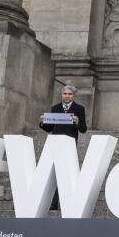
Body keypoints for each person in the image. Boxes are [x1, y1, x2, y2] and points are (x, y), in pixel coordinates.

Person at [39, 85, 88, 213]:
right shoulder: (55, 108)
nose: (67, 96)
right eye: (65, 93)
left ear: (73, 95)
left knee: (66, 174)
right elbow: (49, 128)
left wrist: (78, 122)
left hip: (70, 145)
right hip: (55, 144)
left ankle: (69, 202)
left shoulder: (79, 109)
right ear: (62, 95)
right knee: (54, 173)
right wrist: (42, 122)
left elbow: (83, 129)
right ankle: (53, 203)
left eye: (70, 94)